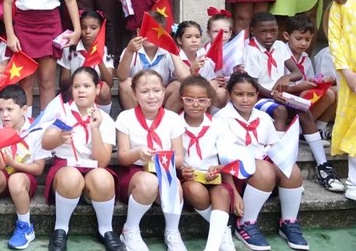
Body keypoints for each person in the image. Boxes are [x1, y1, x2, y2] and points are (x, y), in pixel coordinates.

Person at [244, 11, 343, 192]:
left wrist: (286, 77)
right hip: (259, 97)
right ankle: (283, 166)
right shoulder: (250, 50)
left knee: (303, 109)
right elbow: (252, 85)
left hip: (279, 94)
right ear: (252, 31)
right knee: (281, 111)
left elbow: (297, 72)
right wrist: (273, 93)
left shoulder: (280, 46)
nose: (269, 36)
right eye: (263, 32)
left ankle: (323, 167)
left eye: (273, 31)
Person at [216, 74, 308, 251]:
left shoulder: (263, 117)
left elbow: (274, 147)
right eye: (239, 94)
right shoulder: (221, 119)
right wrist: (233, 193)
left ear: (257, 95)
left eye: (250, 94)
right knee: (265, 169)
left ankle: (288, 222)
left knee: (291, 169)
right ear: (229, 94)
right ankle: (246, 223)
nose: (245, 99)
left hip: (262, 174)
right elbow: (222, 159)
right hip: (237, 175)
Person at [41, 68, 123, 251]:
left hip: (93, 168)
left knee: (103, 177)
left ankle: (105, 229)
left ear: (98, 89)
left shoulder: (105, 120)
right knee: (71, 177)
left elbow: (102, 162)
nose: (81, 90)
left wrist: (95, 129)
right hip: (66, 168)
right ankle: (60, 228)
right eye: (76, 86)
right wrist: (59, 138)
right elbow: (46, 143)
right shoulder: (62, 113)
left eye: (87, 86)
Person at [115, 69, 187, 251]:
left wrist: (162, 157)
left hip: (164, 169)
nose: (151, 96)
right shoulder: (126, 117)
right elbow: (122, 157)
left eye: (156, 90)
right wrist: (138, 153)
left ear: (164, 91)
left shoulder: (172, 119)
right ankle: (130, 229)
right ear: (134, 94)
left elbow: (179, 159)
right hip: (135, 173)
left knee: (174, 183)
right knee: (149, 181)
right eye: (145, 91)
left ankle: (172, 232)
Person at [0, 84, 49, 251]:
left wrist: (15, 164)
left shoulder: (35, 131)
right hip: (4, 177)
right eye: (1, 110)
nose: (4, 115)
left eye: (9, 109)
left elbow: (39, 169)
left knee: (15, 179)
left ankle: (25, 226)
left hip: (25, 180)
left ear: (24, 109)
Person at [178, 77, 237, 251]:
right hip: (189, 178)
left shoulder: (218, 125)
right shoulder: (174, 124)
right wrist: (182, 170)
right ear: (181, 99)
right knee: (193, 189)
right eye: (189, 100)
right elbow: (170, 155)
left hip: (214, 177)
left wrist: (218, 168)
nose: (195, 104)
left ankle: (211, 247)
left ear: (209, 102)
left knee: (222, 193)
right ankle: (223, 231)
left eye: (201, 100)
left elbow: (228, 158)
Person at [116, 12, 190, 111]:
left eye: (155, 32)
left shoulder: (168, 51)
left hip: (161, 95)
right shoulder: (131, 49)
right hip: (137, 96)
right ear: (138, 32)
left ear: (163, 34)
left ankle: (165, 120)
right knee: (125, 84)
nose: (150, 36)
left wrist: (172, 49)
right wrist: (129, 52)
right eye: (146, 31)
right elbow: (121, 77)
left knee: (180, 85)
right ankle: (135, 119)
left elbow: (186, 79)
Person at [328, 0, 356, 200]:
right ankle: (353, 181)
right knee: (351, 122)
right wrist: (347, 72)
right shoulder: (342, 2)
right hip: (349, 73)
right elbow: (334, 40)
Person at [56, 10, 114, 114]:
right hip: (76, 92)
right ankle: (75, 116)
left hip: (96, 93)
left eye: (93, 28)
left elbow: (110, 83)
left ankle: (104, 118)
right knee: (72, 88)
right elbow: (63, 84)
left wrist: (98, 59)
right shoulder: (69, 50)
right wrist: (79, 74)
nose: (87, 31)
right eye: (83, 27)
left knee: (104, 88)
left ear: (101, 30)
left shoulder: (106, 50)